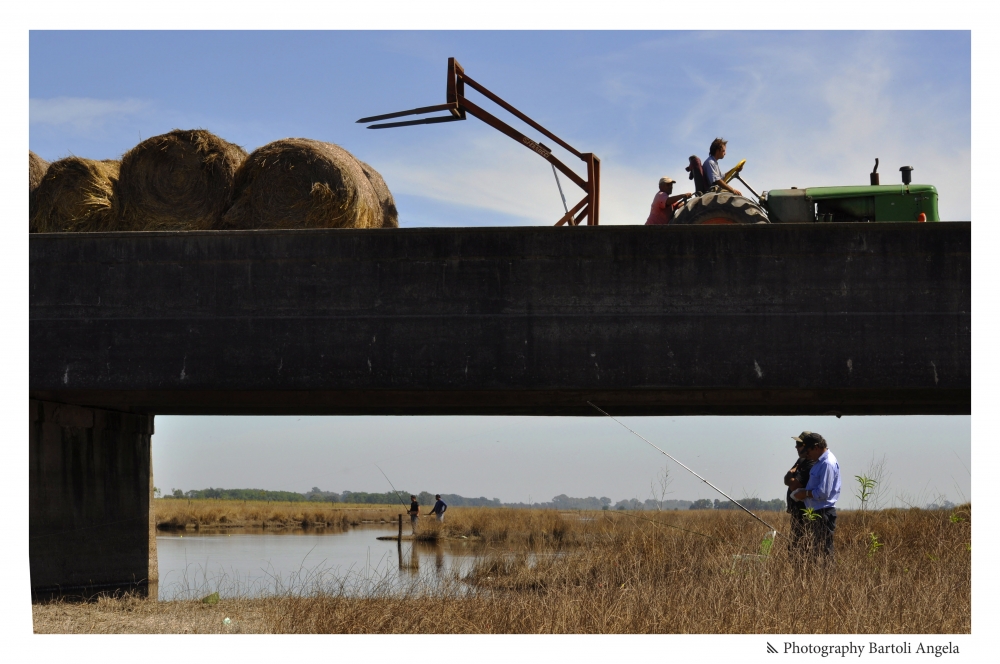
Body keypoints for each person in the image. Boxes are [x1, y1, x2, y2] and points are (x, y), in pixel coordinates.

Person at [790, 432, 841, 559]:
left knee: (824, 552)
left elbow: (823, 492)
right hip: (816, 512)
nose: (807, 454)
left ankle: (827, 578)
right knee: (815, 552)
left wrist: (805, 493)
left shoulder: (827, 463)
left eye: (808, 451)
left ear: (816, 447)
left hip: (822, 513)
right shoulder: (819, 462)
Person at [783, 433, 816, 553]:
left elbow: (794, 485)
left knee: (803, 545)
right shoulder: (801, 460)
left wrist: (791, 476)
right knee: (795, 545)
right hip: (796, 512)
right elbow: (786, 480)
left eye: (799, 444)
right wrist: (790, 475)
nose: (796, 447)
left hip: (805, 512)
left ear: (808, 446)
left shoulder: (811, 464)